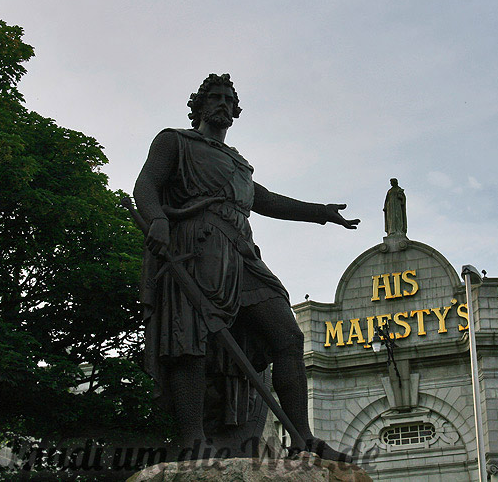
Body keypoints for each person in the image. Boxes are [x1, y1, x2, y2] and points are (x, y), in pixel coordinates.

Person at [133, 73, 359, 461]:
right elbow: (146, 184)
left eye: (228, 98)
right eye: (214, 96)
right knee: (191, 340)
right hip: (196, 247)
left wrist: (319, 212)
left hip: (240, 254)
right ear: (199, 105)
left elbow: (265, 200)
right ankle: (193, 439)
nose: (222, 103)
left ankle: (303, 438)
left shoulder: (238, 163)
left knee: (287, 336)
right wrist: (155, 219)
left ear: (235, 111)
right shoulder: (175, 141)